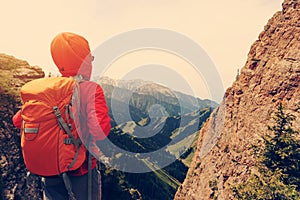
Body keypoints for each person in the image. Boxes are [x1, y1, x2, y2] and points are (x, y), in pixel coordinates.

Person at [12, 32, 111, 200]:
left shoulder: (48, 90)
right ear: (84, 60)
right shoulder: (90, 89)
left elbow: (17, 121)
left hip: (51, 169)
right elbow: (99, 131)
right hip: (82, 170)